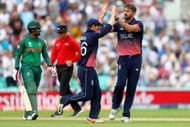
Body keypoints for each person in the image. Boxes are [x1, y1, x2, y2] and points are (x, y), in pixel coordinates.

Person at [57, 5, 116, 123]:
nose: (99, 28)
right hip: (86, 69)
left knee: (97, 93)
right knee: (87, 95)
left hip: (89, 69)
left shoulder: (87, 34)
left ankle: (92, 117)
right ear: (93, 27)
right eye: (97, 26)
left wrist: (101, 15)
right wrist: (113, 12)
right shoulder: (93, 35)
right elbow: (109, 27)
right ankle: (65, 99)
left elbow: (98, 25)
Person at [109, 3, 144, 123]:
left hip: (135, 59)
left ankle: (126, 114)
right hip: (123, 59)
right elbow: (107, 28)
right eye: (124, 11)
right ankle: (115, 106)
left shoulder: (138, 24)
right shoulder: (118, 25)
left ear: (134, 13)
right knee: (120, 84)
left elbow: (129, 29)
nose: (125, 12)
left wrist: (117, 18)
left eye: (128, 11)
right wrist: (104, 17)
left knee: (131, 88)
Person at [14, 20, 52, 120]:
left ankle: (26, 113)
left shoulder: (41, 42)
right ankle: (34, 112)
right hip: (27, 67)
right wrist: (16, 67)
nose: (39, 30)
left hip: (37, 69)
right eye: (37, 28)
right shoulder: (24, 41)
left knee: (33, 91)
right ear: (32, 30)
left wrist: (50, 65)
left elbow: (45, 55)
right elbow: (18, 54)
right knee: (31, 89)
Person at [50, 25, 82, 117]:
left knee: (63, 89)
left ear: (65, 32)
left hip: (67, 68)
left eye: (61, 33)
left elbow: (80, 53)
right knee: (66, 89)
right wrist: (50, 64)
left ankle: (59, 111)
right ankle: (77, 108)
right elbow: (54, 54)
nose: (60, 35)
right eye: (58, 33)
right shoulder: (57, 41)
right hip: (59, 67)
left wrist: (72, 60)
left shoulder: (71, 41)